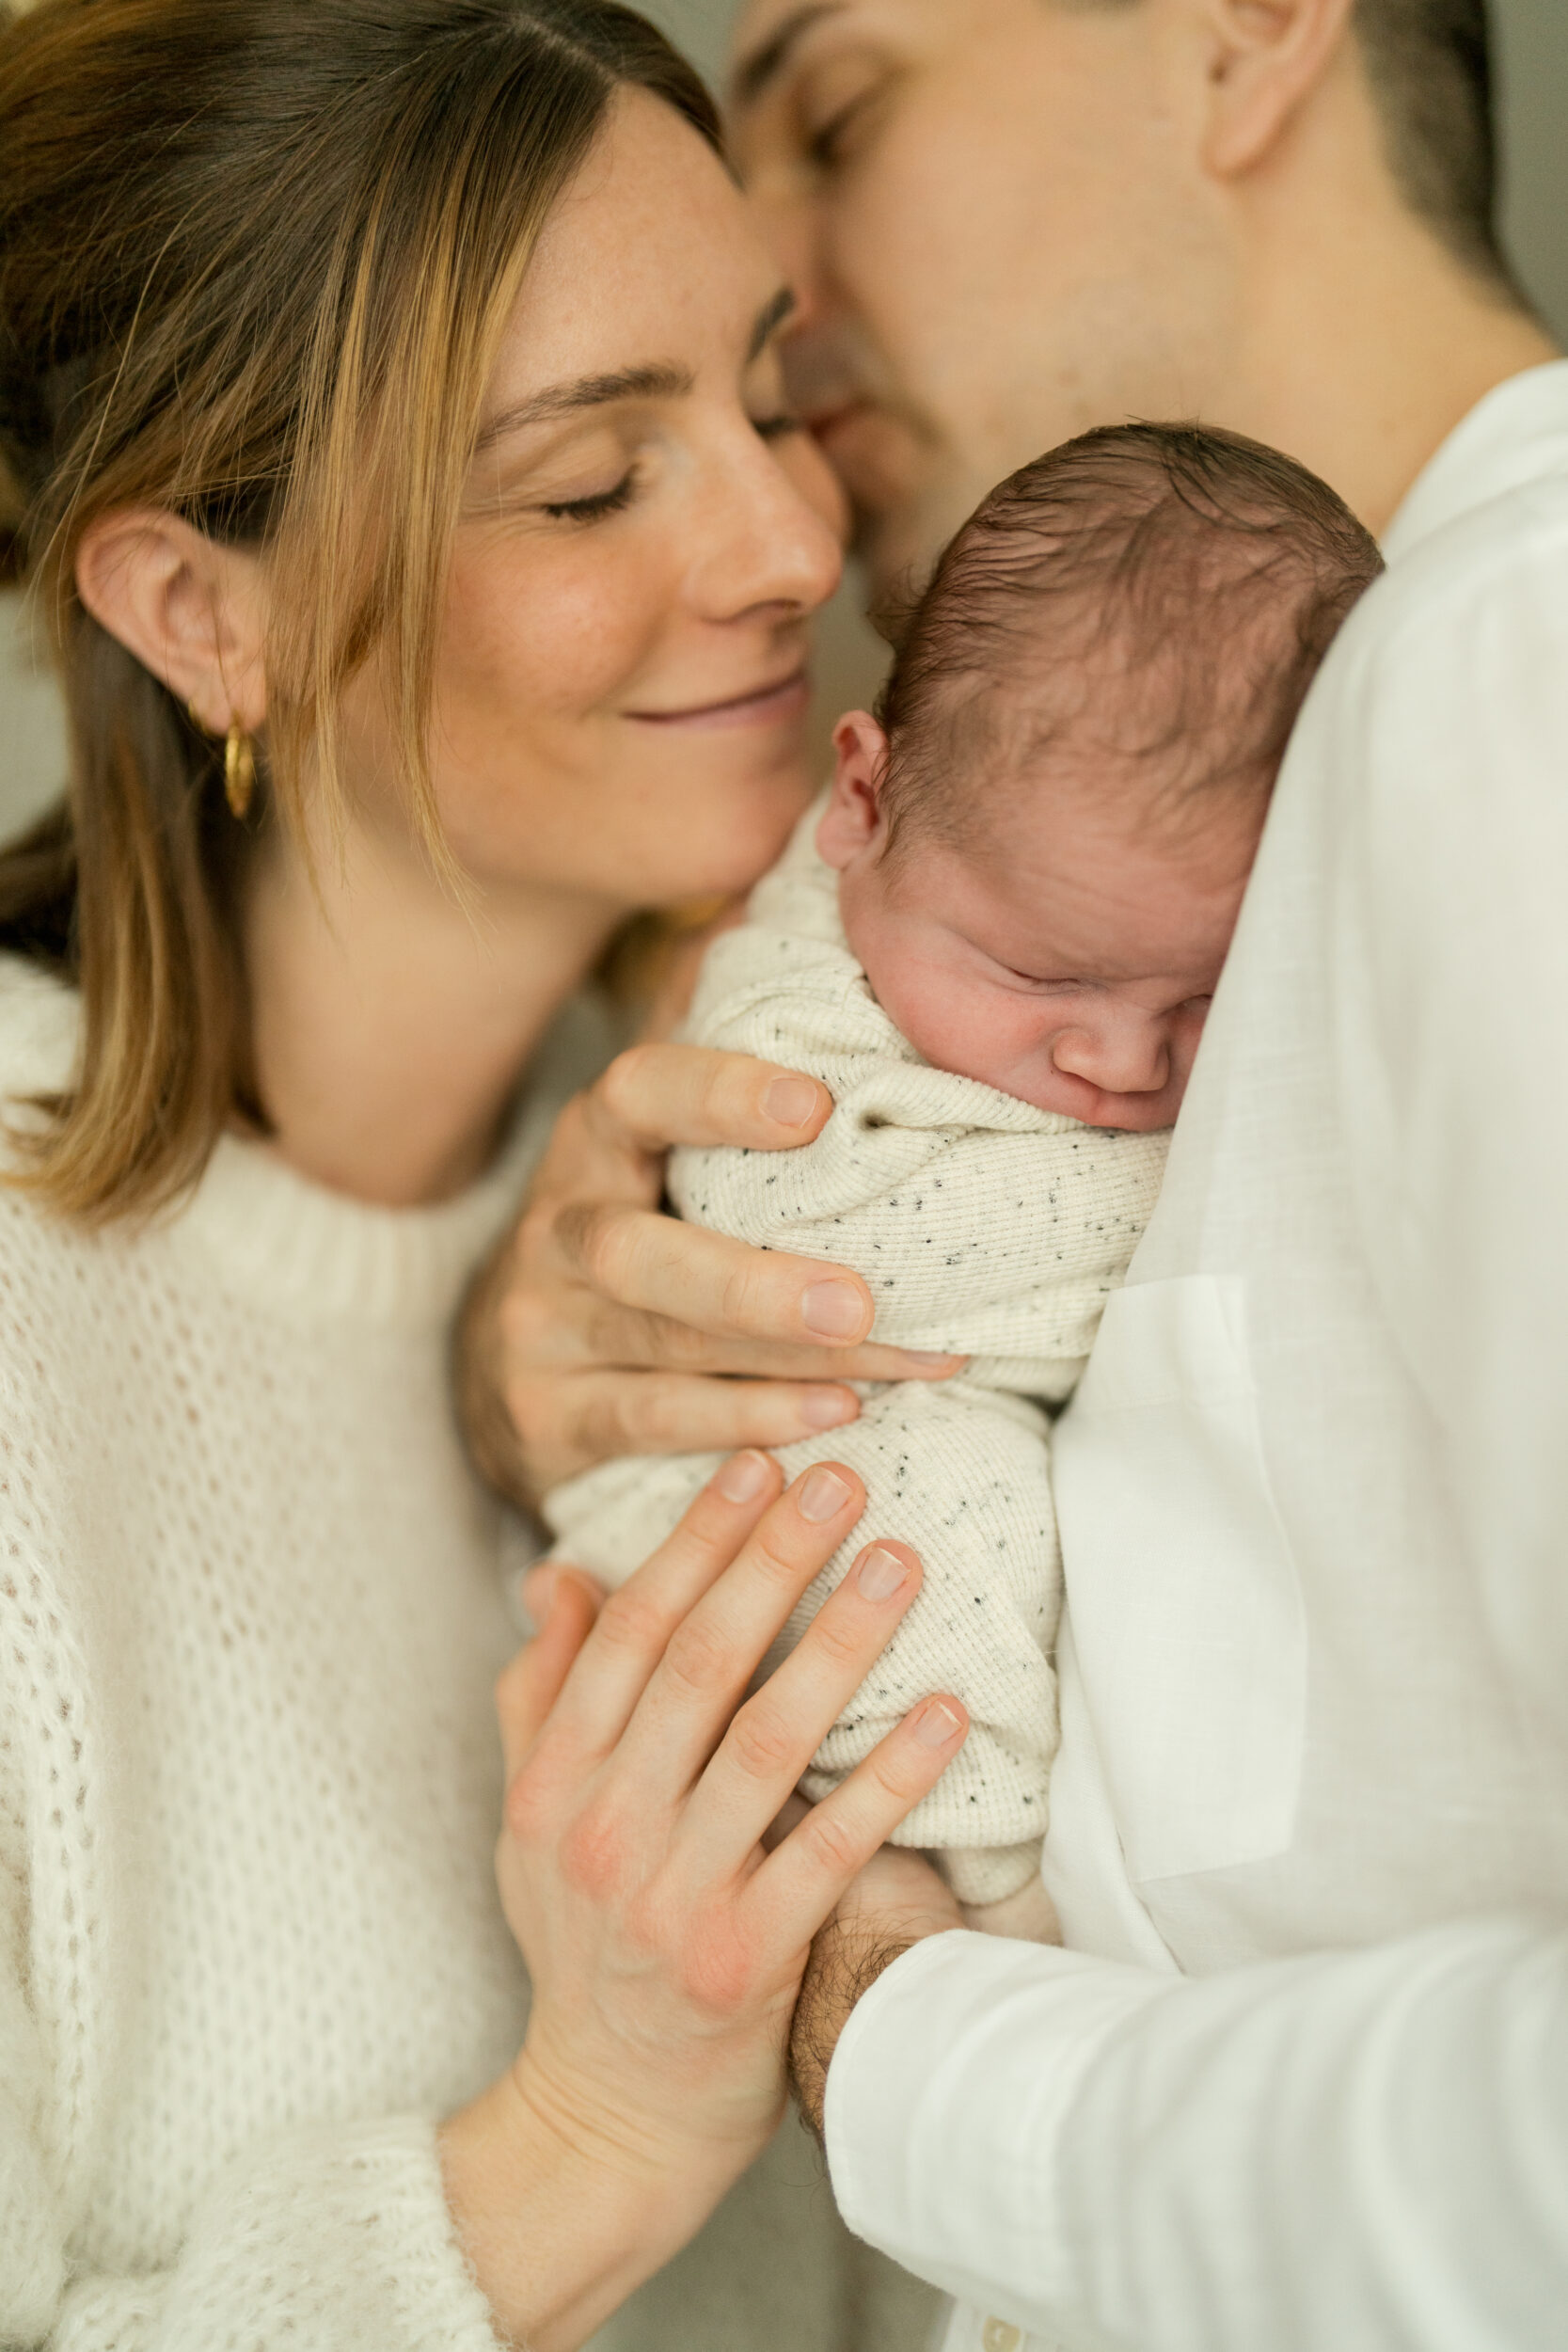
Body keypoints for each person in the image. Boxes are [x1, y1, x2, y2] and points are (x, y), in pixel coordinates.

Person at [459, 0, 1568, 2342]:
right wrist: (549, 1366)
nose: (770, 276)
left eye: (844, 108)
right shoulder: (1356, 744)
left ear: (1250, 30)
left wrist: (887, 2028)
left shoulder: (1516, 680)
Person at [0, 3, 967, 2344]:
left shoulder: (746, 1203)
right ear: (200, 612)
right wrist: (584, 2142)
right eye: (588, 480)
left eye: (765, 393)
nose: (793, 540)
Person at [543, 423, 1379, 1934]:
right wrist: (1188, 1193)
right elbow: (829, 1252)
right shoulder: (788, 1009)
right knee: (947, 1521)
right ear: (863, 807)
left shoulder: (1021, 936)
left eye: (1208, 998)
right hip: (726, 1511)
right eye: (1040, 976)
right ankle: (987, 1898)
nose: (1122, 1064)